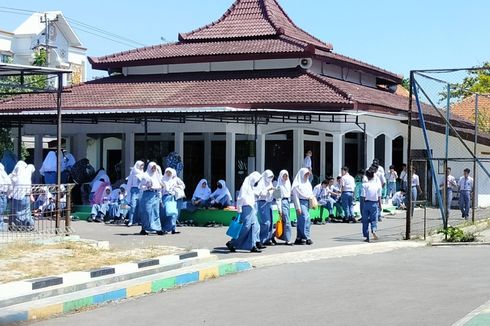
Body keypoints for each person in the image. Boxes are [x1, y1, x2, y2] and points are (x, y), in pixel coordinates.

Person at [226, 171, 262, 253]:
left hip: (251, 208)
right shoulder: (245, 186)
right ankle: (232, 242)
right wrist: (239, 210)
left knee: (254, 226)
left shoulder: (251, 187)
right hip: (245, 208)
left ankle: (253, 246)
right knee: (246, 227)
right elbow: (240, 198)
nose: (257, 183)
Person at [138, 162, 165, 235]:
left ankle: (158, 229)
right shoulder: (145, 176)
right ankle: (144, 228)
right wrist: (147, 186)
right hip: (147, 195)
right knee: (147, 212)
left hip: (155, 195)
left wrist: (160, 199)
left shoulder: (157, 176)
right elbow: (140, 186)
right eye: (152, 167)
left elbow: (159, 188)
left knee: (155, 212)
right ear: (149, 167)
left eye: (155, 168)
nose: (154, 169)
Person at [291, 167, 314, 245]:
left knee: (304, 220)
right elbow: (295, 197)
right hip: (300, 202)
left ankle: (299, 237)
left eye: (308, 174)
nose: (307, 176)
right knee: (305, 218)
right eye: (305, 174)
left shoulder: (307, 183)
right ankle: (306, 237)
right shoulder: (297, 184)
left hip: (307, 202)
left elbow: (310, 193)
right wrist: (298, 207)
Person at [9, 161, 35, 229]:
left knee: (17, 212)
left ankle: (20, 226)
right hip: (26, 195)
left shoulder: (15, 175)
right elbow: (32, 167)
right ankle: (29, 225)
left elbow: (10, 183)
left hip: (16, 196)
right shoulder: (27, 174)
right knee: (26, 212)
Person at [361, 168, 382, 242]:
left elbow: (363, 196)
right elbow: (379, 197)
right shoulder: (377, 185)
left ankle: (367, 236)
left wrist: (363, 206)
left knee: (365, 220)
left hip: (366, 203)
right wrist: (380, 205)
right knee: (374, 219)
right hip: (374, 203)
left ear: (367, 176)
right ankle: (374, 230)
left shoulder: (364, 185)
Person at [257, 170, 275, 246]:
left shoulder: (270, 183)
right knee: (265, 222)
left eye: (271, 177)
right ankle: (261, 240)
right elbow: (259, 193)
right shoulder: (260, 183)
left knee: (270, 222)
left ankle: (268, 239)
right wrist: (267, 190)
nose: (270, 178)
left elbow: (275, 194)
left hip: (269, 203)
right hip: (262, 202)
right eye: (269, 177)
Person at [275, 170, 293, 245]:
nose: (285, 177)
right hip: (282, 202)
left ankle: (273, 236)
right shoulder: (278, 185)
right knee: (287, 221)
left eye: (287, 176)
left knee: (284, 221)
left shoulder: (288, 183)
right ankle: (288, 239)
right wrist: (279, 209)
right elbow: (277, 198)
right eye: (284, 176)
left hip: (288, 202)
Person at [161, 167, 180, 234]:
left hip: (172, 198)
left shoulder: (173, 180)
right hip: (165, 198)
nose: (169, 174)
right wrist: (160, 200)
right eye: (167, 172)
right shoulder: (162, 180)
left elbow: (180, 186)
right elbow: (161, 191)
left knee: (174, 213)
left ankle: (173, 228)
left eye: (170, 172)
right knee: (165, 214)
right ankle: (165, 228)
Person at [125, 160, 144, 227]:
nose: (142, 167)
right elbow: (129, 182)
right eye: (141, 165)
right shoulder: (133, 172)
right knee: (133, 206)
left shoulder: (142, 173)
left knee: (140, 206)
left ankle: (139, 221)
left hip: (141, 190)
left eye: (143, 165)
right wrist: (127, 191)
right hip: (134, 190)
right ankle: (131, 220)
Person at [0, 163, 12, 231]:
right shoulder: (4, 175)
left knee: (1, 213)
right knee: (1, 213)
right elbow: (9, 185)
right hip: (3, 195)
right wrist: (8, 194)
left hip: (3, 195)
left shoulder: (4, 175)